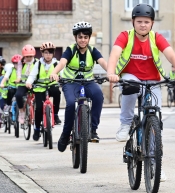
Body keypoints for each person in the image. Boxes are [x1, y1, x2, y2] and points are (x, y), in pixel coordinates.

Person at [107, 4, 175, 142]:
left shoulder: (156, 38)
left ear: (152, 23)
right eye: (139, 21)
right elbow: (114, 54)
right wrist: (111, 73)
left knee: (154, 110)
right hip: (130, 78)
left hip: (152, 81)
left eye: (146, 22)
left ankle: (153, 146)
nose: (143, 25)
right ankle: (125, 124)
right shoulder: (125, 36)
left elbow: (171, 56)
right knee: (131, 87)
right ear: (133, 22)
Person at [50, 21, 107, 152]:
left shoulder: (93, 51)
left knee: (98, 96)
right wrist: (54, 72)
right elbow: (62, 62)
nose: (83, 40)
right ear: (75, 38)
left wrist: (111, 72)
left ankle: (93, 129)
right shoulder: (71, 50)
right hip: (70, 82)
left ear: (89, 38)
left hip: (88, 81)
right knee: (70, 103)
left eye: (85, 37)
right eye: (80, 37)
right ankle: (65, 134)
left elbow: (102, 62)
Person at [26, 42, 62, 141]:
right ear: (42, 54)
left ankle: (55, 115)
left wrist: (64, 79)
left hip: (51, 86)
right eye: (46, 53)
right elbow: (32, 75)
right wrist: (29, 82)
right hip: (39, 88)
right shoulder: (38, 64)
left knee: (57, 93)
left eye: (50, 53)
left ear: (53, 54)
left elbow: (63, 73)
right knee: (38, 109)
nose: (48, 55)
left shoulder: (57, 63)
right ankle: (37, 129)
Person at [15, 44, 37, 124]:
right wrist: (18, 78)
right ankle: (21, 112)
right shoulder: (21, 62)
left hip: (34, 84)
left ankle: (35, 113)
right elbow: (19, 71)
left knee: (38, 97)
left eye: (30, 56)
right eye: (27, 56)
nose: (28, 58)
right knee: (18, 95)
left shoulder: (37, 62)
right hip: (23, 84)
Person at [0, 63, 14, 128]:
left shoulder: (13, 77)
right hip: (2, 95)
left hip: (10, 95)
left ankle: (13, 118)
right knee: (1, 107)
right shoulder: (2, 78)